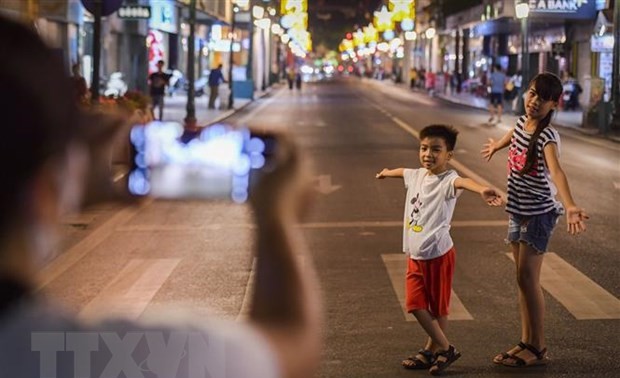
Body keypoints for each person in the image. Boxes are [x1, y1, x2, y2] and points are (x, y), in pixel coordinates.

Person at [0, 16, 322, 378]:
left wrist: (62, 178)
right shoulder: (76, 356)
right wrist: (277, 217)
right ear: (45, 187)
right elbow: (291, 341)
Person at [480, 72, 588, 368]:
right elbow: (512, 135)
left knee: (528, 277)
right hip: (517, 208)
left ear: (554, 104)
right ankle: (526, 341)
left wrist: (570, 205)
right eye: (531, 94)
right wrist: (497, 146)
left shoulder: (547, 136)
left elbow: (557, 172)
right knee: (521, 279)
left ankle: (538, 347)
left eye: (542, 98)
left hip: (537, 213)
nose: (534, 101)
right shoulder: (521, 123)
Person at [376, 125, 503, 375]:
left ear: (449, 155)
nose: (428, 154)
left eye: (436, 149)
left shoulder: (447, 181)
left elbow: (463, 182)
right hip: (415, 254)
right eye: (424, 148)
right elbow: (403, 172)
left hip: (438, 254)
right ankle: (444, 348)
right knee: (415, 305)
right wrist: (387, 172)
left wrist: (482, 190)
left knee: (437, 308)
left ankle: (434, 350)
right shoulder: (418, 175)